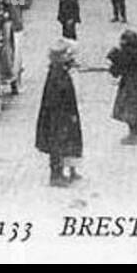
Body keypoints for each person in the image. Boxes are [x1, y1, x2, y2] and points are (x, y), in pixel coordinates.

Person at [36, 40, 84, 187]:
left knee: (67, 142)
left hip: (63, 115)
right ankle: (56, 175)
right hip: (59, 117)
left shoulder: (59, 71)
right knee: (58, 144)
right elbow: (58, 97)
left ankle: (69, 170)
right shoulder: (58, 75)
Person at [108, 30, 137, 145]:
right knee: (134, 110)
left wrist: (113, 61)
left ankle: (134, 135)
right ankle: (134, 133)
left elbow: (116, 71)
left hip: (128, 86)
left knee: (128, 110)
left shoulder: (124, 55)